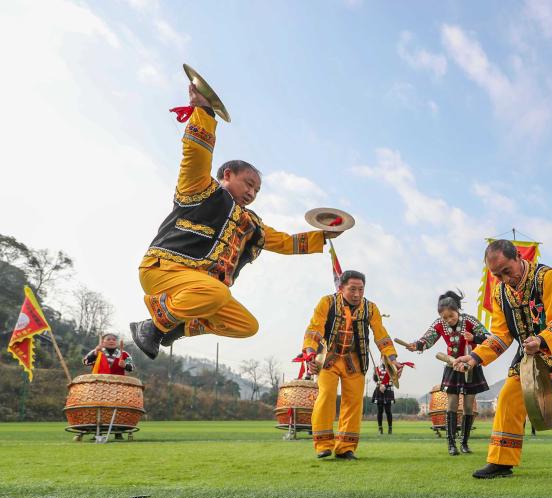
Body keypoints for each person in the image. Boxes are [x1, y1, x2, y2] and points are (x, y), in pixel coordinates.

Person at [129, 82, 337, 360]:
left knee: (245, 325)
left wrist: (323, 236)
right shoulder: (200, 189)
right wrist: (203, 111)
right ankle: (153, 327)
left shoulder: (250, 223)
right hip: (163, 270)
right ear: (227, 174)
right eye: (248, 183)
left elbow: (285, 242)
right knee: (216, 292)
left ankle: (172, 329)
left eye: (257, 190)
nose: (251, 193)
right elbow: (196, 156)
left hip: (201, 290)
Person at [453, 240, 552, 484]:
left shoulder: (548, 278)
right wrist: (475, 357)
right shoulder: (499, 293)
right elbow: (501, 335)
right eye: (497, 275)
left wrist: (542, 340)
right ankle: (501, 460)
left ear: (518, 256)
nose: (504, 279)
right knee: (507, 397)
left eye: (507, 271)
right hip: (529, 354)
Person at [303, 270, 398, 460]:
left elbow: (381, 334)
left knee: (354, 402)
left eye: (360, 289)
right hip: (329, 358)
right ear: (341, 288)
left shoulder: (370, 308)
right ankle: (323, 444)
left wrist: (392, 358)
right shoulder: (327, 302)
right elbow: (315, 328)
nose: (356, 294)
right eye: (352, 289)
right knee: (326, 395)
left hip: (355, 360)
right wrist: (310, 353)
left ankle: (346, 447)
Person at [406, 290, 491, 456]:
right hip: (452, 366)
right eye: (445, 318)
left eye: (451, 316)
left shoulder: (470, 321)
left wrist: (473, 337)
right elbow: (427, 339)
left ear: (457, 310)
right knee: (451, 403)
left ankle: (464, 443)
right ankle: (451, 444)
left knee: (468, 406)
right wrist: (416, 346)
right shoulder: (439, 324)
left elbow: (489, 338)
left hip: (470, 365)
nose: (448, 320)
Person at [371, 362, 395, 435]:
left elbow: (394, 379)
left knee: (388, 411)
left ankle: (390, 428)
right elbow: (375, 379)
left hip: (388, 390)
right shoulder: (378, 368)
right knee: (380, 411)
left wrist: (385, 386)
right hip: (379, 391)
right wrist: (374, 373)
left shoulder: (391, 368)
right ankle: (380, 428)